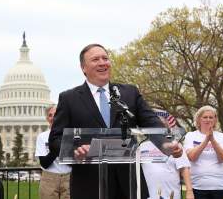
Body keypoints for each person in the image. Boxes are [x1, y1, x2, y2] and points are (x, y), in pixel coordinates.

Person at [48, 43, 183, 199]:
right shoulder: (69, 98)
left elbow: (151, 122)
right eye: (95, 59)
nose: (102, 62)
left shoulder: (129, 93)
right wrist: (75, 150)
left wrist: (167, 143)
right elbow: (55, 139)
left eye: (105, 58)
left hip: (129, 184)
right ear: (83, 68)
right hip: (88, 185)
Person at [141, 114, 194, 199]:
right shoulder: (141, 147)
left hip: (171, 194)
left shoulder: (175, 145)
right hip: (149, 195)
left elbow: (184, 168)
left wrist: (189, 191)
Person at [184, 105, 223, 199]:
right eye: (205, 117)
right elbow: (192, 157)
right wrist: (206, 140)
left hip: (219, 187)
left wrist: (212, 140)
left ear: (215, 120)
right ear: (199, 119)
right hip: (197, 187)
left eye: (211, 117)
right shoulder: (190, 135)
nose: (208, 120)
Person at [35, 105, 71, 199]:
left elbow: (73, 161)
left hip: (68, 178)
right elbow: (44, 163)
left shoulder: (70, 135)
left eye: (55, 115)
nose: (53, 118)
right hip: (49, 178)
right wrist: (56, 146)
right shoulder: (42, 137)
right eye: (50, 115)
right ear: (47, 118)